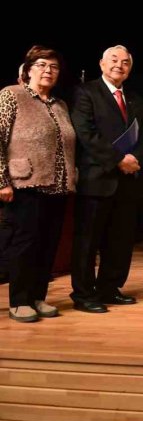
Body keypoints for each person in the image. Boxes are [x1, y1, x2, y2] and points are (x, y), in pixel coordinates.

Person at [69, 45, 143, 313]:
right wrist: (117, 159)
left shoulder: (135, 99)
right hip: (97, 178)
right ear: (102, 64)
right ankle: (83, 294)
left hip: (127, 182)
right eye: (114, 60)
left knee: (120, 240)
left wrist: (134, 158)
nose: (119, 65)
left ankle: (109, 288)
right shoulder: (86, 92)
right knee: (87, 242)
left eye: (125, 62)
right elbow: (85, 132)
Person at [0, 46, 76, 322]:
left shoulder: (60, 104)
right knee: (25, 245)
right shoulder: (12, 95)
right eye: (42, 65)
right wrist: (2, 181)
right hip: (24, 184)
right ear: (28, 69)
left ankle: (37, 297)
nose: (48, 71)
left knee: (48, 244)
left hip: (57, 186)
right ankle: (19, 301)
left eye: (53, 67)